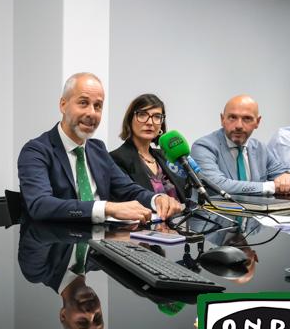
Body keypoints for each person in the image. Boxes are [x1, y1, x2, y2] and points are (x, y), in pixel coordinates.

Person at [17, 73, 182, 223]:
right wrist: (106, 208)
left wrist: (157, 199)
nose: (92, 113)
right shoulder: (35, 151)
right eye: (83, 103)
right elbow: (40, 205)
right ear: (63, 104)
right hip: (56, 248)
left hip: (100, 244)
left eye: (98, 106)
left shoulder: (98, 149)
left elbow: (128, 189)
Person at [190, 95, 290, 196]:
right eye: (232, 117)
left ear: (257, 122)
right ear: (222, 119)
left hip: (253, 216)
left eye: (247, 118)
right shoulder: (204, 146)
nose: (238, 125)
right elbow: (217, 185)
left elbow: (286, 173)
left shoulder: (260, 148)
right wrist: (271, 187)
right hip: (214, 217)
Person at [18, 220, 104, 329]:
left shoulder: (37, 270)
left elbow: (39, 230)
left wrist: (90, 230)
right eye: (97, 318)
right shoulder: (100, 261)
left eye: (82, 322)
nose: (91, 313)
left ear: (63, 315)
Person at [110, 93, 188, 203]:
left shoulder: (166, 156)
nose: (150, 122)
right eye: (142, 115)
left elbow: (186, 193)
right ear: (130, 119)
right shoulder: (116, 159)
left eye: (157, 117)